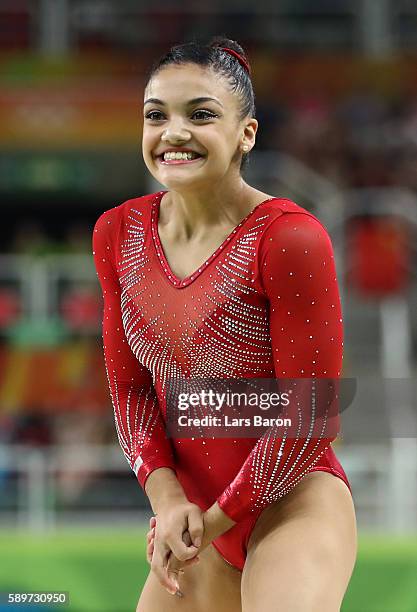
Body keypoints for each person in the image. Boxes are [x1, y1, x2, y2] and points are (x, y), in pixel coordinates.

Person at [92, 36, 357, 612]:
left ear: (247, 134)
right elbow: (130, 387)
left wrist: (213, 520)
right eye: (155, 115)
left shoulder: (287, 238)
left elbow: (309, 416)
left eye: (201, 114)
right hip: (194, 515)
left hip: (290, 505)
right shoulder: (117, 233)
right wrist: (167, 502)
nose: (174, 132)